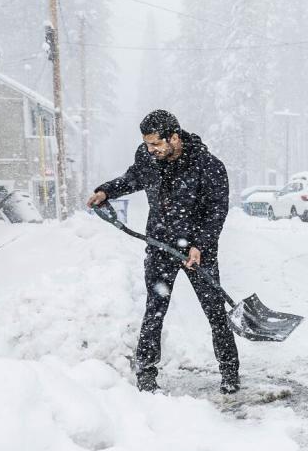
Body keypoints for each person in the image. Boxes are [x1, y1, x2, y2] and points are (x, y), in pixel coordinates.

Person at [87, 109, 239, 394]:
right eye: (147, 144)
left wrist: (199, 246)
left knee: (215, 312)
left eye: (156, 143)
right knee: (155, 310)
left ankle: (230, 372)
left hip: (197, 251)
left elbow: (216, 211)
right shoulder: (147, 158)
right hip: (160, 245)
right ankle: (145, 373)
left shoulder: (208, 166)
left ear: (174, 137)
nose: (150, 149)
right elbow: (133, 178)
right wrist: (106, 191)